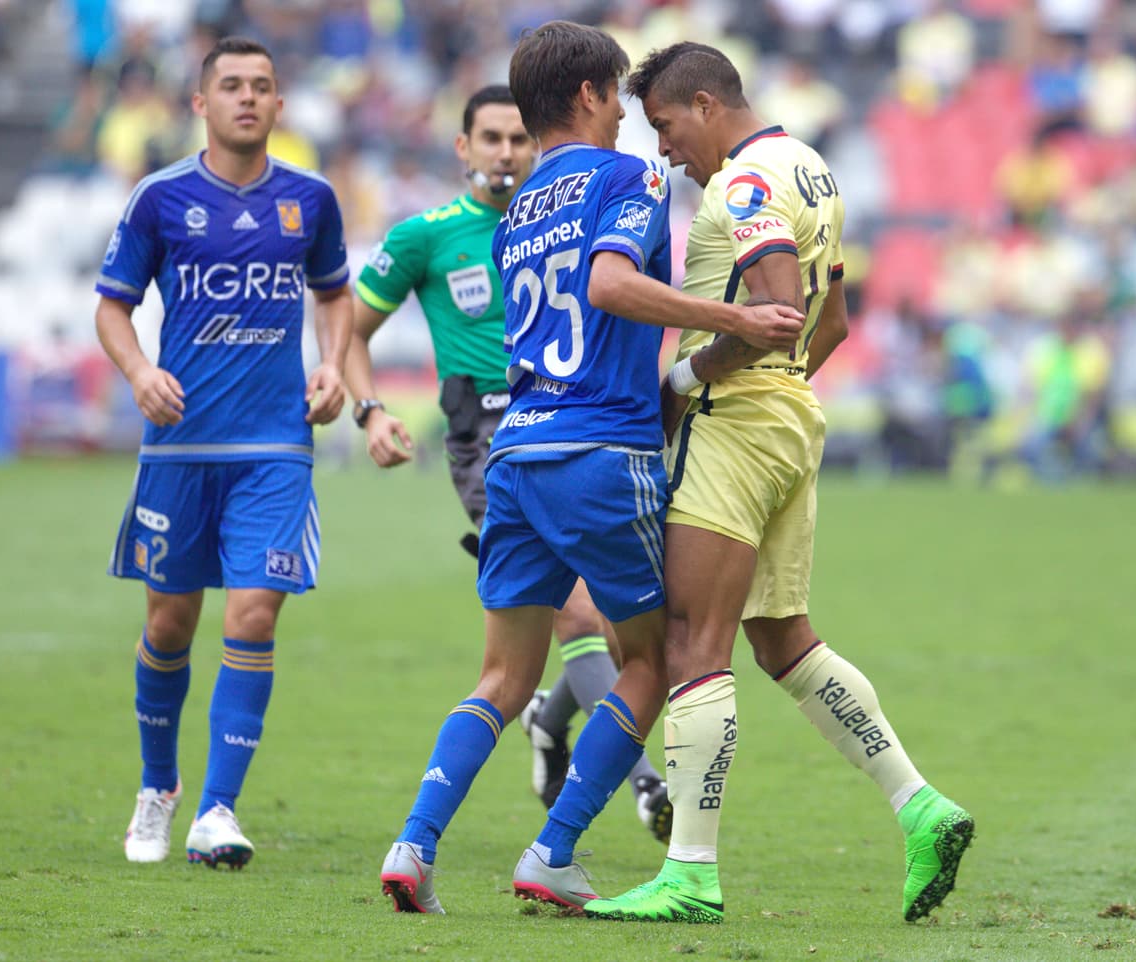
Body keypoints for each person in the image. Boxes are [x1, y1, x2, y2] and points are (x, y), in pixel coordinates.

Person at [375, 20, 804, 915]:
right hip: (601, 450)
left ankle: (413, 846)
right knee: (650, 659)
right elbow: (610, 285)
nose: (630, 120)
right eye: (618, 98)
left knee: (502, 677)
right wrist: (732, 320)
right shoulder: (629, 177)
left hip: (517, 452)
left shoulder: (521, 205)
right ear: (588, 97)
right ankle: (551, 852)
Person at [584, 42, 974, 925]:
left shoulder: (743, 184)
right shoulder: (815, 170)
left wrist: (683, 384)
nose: (666, 151)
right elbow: (828, 321)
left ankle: (689, 874)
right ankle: (920, 806)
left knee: (693, 641)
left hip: (734, 422)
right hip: (791, 420)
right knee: (781, 638)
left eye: (668, 127)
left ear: (708, 102)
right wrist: (783, 386)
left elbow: (778, 309)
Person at [343, 84, 672, 841]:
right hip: (489, 439)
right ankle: (644, 783)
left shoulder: (554, 215)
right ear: (463, 148)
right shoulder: (426, 236)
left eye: (518, 139)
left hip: (567, 425)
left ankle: (549, 723)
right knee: (583, 615)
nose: (506, 152)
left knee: (608, 640)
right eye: (490, 139)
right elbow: (350, 332)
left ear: (538, 142)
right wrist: (370, 409)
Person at [96, 36, 351, 868]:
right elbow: (112, 307)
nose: (249, 98)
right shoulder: (159, 199)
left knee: (253, 611)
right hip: (179, 448)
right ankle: (158, 787)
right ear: (200, 104)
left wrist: (334, 367)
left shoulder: (310, 200)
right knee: (169, 625)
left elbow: (336, 294)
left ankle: (217, 810)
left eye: (263, 87)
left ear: (280, 105)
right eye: (232, 86)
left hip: (277, 446)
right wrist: (138, 370)